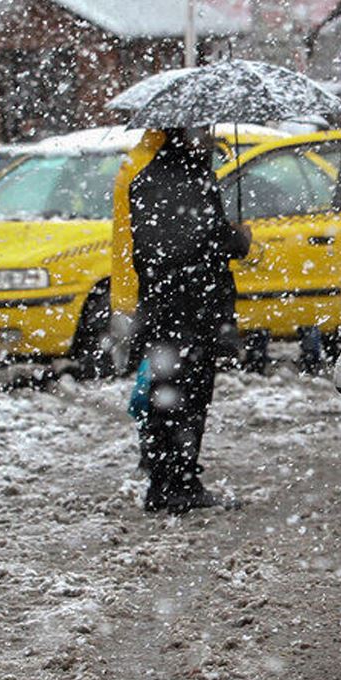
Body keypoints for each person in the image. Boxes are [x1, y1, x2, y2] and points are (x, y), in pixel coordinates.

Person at [128, 127, 251, 514]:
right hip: (189, 311)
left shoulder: (149, 177)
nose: (209, 136)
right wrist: (235, 241)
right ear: (183, 133)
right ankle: (175, 482)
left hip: (168, 310)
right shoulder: (187, 179)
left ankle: (169, 478)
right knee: (186, 397)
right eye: (203, 130)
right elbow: (192, 244)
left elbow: (162, 247)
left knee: (171, 395)